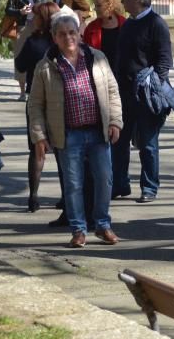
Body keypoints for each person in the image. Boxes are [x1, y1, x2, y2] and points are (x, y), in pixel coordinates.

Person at [28, 14, 123, 248]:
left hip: (98, 132)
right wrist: (39, 136)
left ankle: (102, 225)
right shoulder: (46, 65)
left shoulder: (96, 57)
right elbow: (35, 105)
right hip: (68, 134)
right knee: (73, 185)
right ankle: (78, 230)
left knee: (105, 180)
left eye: (72, 32)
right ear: (54, 37)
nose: (68, 37)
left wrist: (115, 121)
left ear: (79, 33)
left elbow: (112, 91)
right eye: (62, 34)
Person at [114, 0, 173, 203]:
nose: (121, 1)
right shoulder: (128, 24)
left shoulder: (156, 24)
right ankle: (120, 184)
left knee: (147, 143)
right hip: (124, 94)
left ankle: (149, 187)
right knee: (119, 141)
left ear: (137, 0)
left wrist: (152, 86)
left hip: (147, 95)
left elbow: (164, 62)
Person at [14, 1, 61, 212]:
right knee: (63, 149)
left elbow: (20, 64)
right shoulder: (63, 41)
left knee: (36, 149)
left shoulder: (34, 42)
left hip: (36, 98)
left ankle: (33, 196)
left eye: (35, 16)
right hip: (60, 99)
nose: (32, 19)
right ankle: (66, 196)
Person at [7, 0, 49, 100]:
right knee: (20, 56)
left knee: (39, 57)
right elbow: (8, 10)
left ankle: (37, 88)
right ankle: (22, 92)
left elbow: (47, 11)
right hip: (22, 27)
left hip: (38, 28)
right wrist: (20, 12)